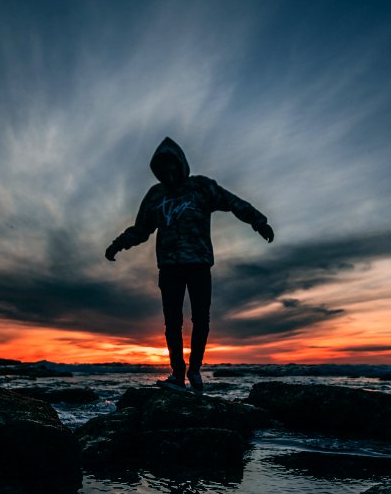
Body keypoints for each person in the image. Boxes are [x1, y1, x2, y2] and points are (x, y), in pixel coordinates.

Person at [105, 137, 273, 392]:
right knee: (172, 323)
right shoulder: (155, 195)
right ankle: (178, 374)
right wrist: (118, 244)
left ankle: (195, 370)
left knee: (201, 320)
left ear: (181, 164)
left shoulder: (201, 187)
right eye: (163, 169)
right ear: (158, 171)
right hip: (169, 267)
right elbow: (141, 230)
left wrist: (258, 222)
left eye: (173, 167)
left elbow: (233, 203)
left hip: (199, 265)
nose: (169, 173)